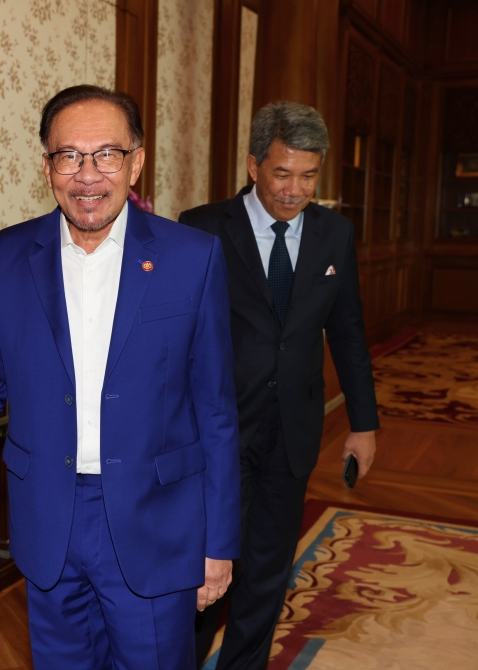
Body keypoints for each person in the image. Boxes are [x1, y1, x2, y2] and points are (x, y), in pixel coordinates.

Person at [0, 85, 241, 669]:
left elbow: (214, 407)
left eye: (106, 154)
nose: (88, 175)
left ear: (136, 161)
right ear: (47, 166)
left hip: (156, 521)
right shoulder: (4, 260)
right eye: (69, 156)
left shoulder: (193, 258)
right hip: (49, 518)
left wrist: (218, 543)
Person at [180, 101, 379, 669]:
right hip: (217, 430)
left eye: (309, 175)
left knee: (267, 572)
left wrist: (363, 424)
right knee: (205, 571)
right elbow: (174, 338)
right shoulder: (201, 229)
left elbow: (348, 332)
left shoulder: (334, 235)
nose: (295, 189)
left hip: (293, 429)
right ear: (253, 165)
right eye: (282, 173)